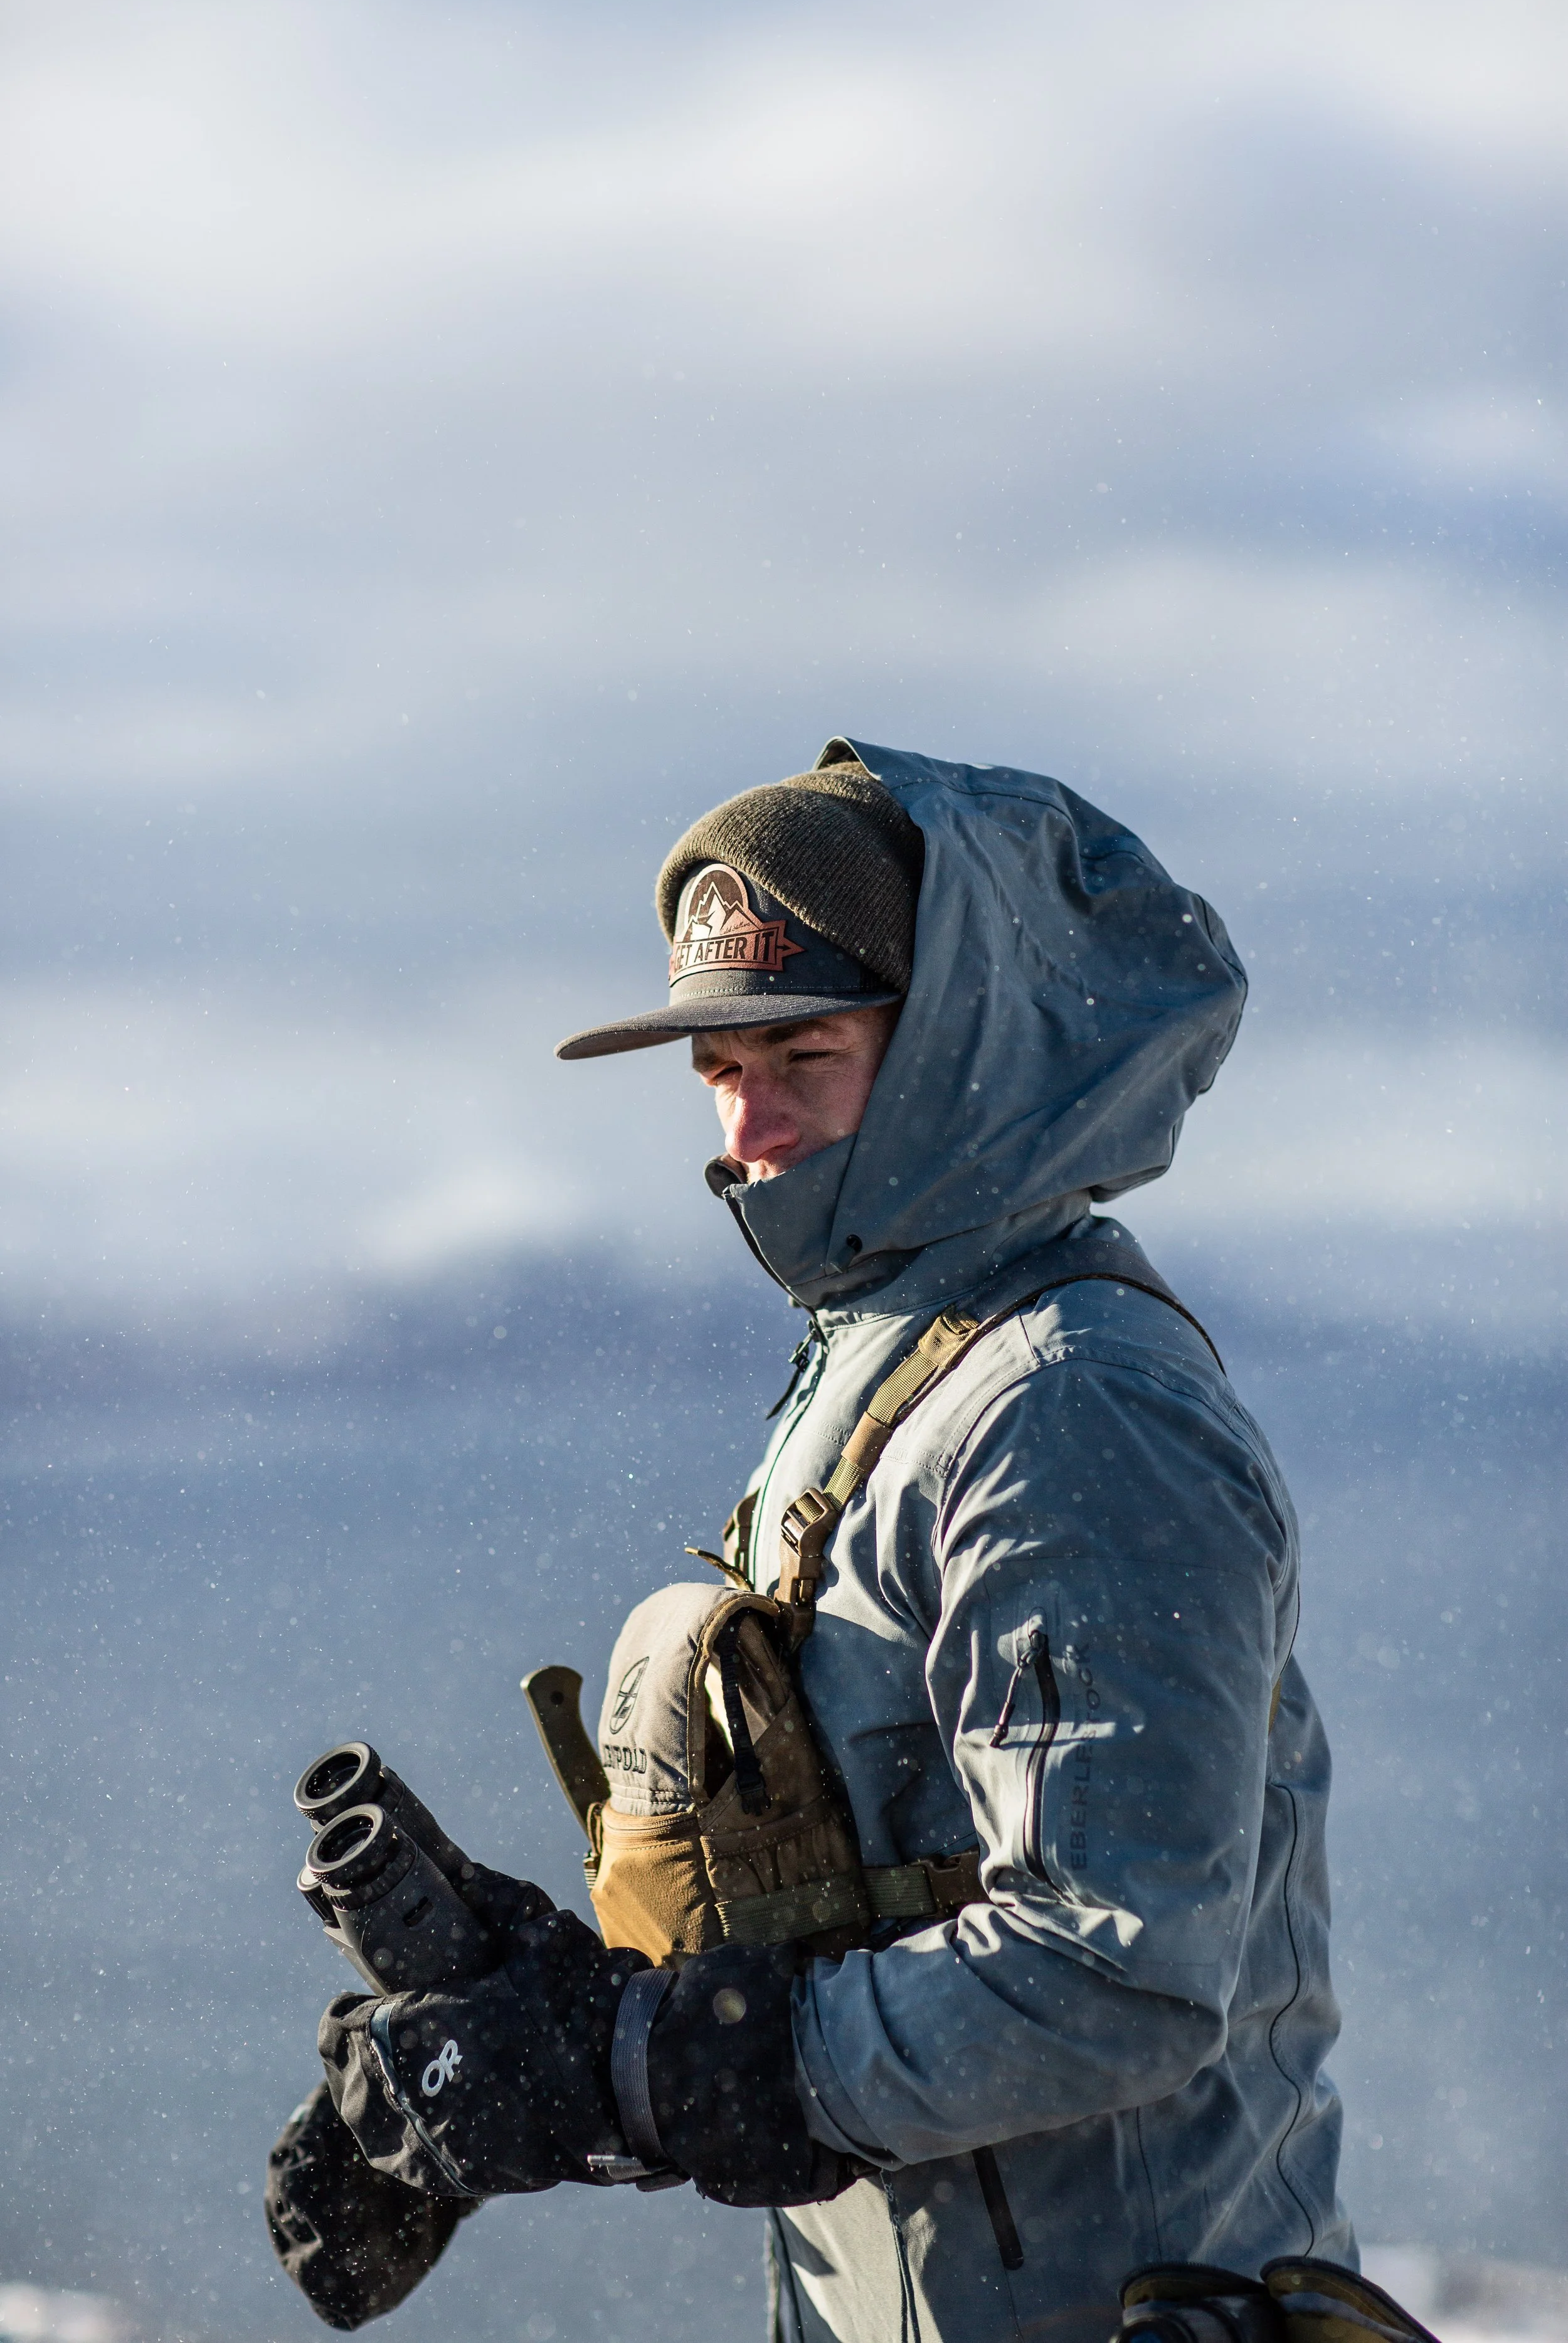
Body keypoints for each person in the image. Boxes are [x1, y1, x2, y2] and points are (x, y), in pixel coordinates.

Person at [267, 739, 1352, 2343]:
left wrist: (638, 2071)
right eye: (717, 1068)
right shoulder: (891, 1353)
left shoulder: (1067, 1408)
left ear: (952, 1056)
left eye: (806, 1055)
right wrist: (569, 2003)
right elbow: (878, 1883)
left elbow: (1111, 1973)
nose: (747, 1123)